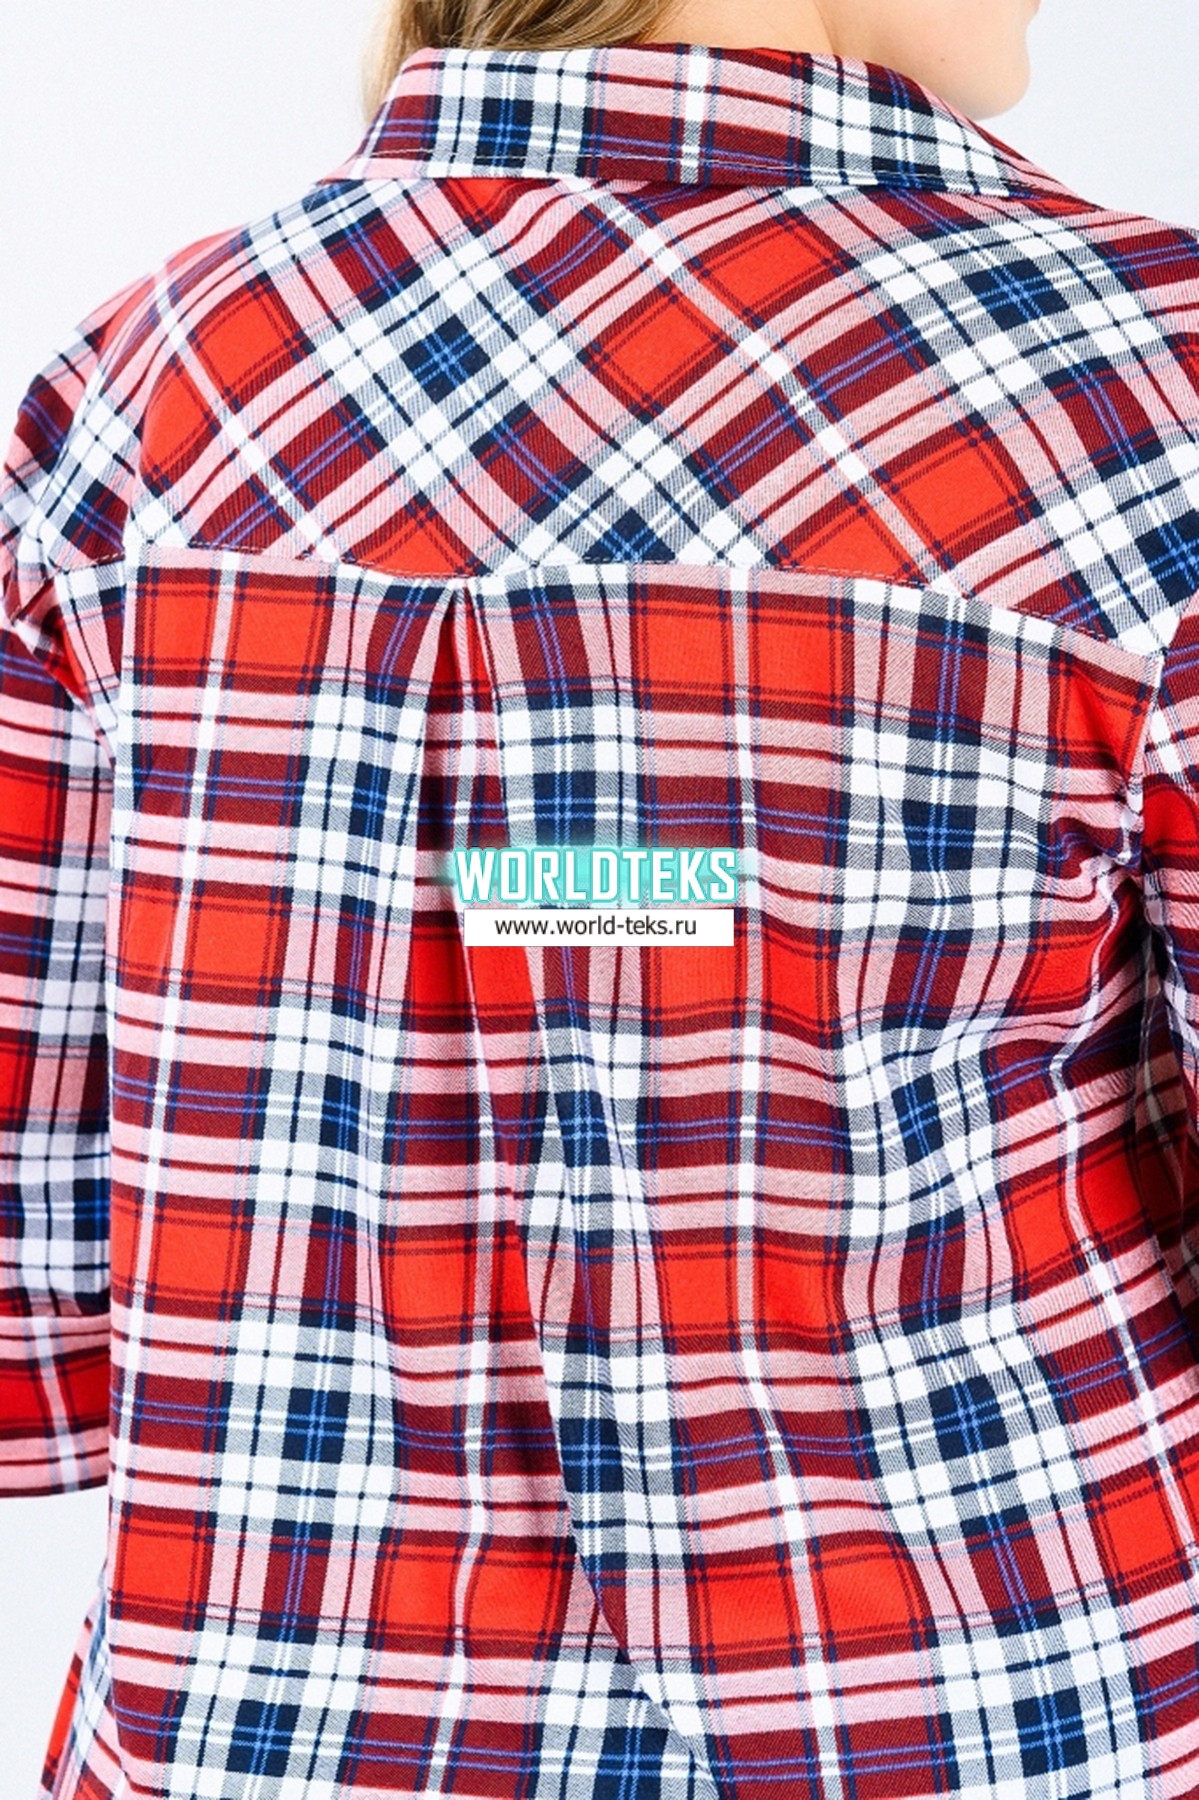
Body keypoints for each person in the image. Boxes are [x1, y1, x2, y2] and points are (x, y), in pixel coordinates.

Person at [4, 0, 1199, 1795]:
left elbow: (43, 1241)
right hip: (979, 1705)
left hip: (268, 1717)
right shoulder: (1145, 390)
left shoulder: (144, 391)